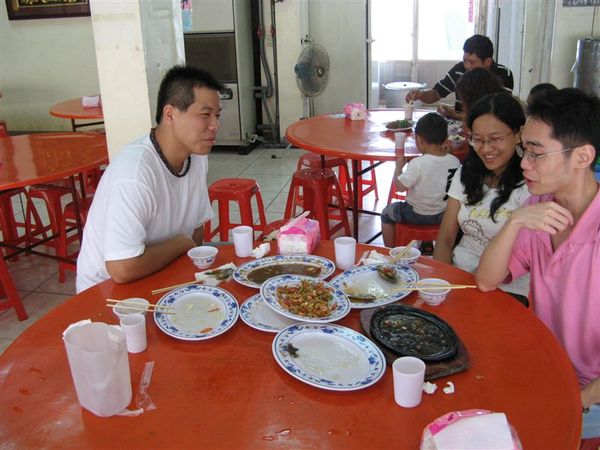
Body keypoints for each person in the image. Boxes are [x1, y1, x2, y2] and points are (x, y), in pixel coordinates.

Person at [475, 88, 600, 439]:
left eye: (536, 153)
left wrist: (576, 399)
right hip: (545, 368)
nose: (524, 163)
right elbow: (486, 280)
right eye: (524, 150)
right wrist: (516, 220)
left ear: (582, 156)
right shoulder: (540, 205)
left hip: (589, 396)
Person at [76, 65, 222, 292]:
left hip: (159, 275)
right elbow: (122, 269)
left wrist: (186, 250)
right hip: (105, 292)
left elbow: (196, 228)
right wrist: (181, 243)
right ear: (170, 114)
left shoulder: (196, 157)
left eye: (217, 115)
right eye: (205, 115)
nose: (215, 126)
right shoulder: (134, 173)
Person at [433, 92, 530, 301]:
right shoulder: (467, 172)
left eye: (495, 139)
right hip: (460, 277)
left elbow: (523, 256)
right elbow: (446, 237)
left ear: (519, 134)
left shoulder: (531, 184)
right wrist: (442, 282)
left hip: (509, 289)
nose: (485, 149)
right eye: (477, 140)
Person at [381, 113, 460, 247]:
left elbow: (400, 187)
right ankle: (427, 243)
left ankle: (390, 252)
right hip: (443, 214)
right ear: (446, 139)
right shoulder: (455, 161)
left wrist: (398, 167)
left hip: (415, 214)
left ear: (419, 139)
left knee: (386, 213)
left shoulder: (418, 163)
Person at [406, 34, 513, 119]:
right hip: (459, 129)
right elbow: (436, 93)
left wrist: (456, 116)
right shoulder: (459, 70)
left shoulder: (503, 75)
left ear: (488, 61)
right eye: (465, 60)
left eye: (472, 62)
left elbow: (498, 115)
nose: (466, 66)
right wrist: (420, 95)